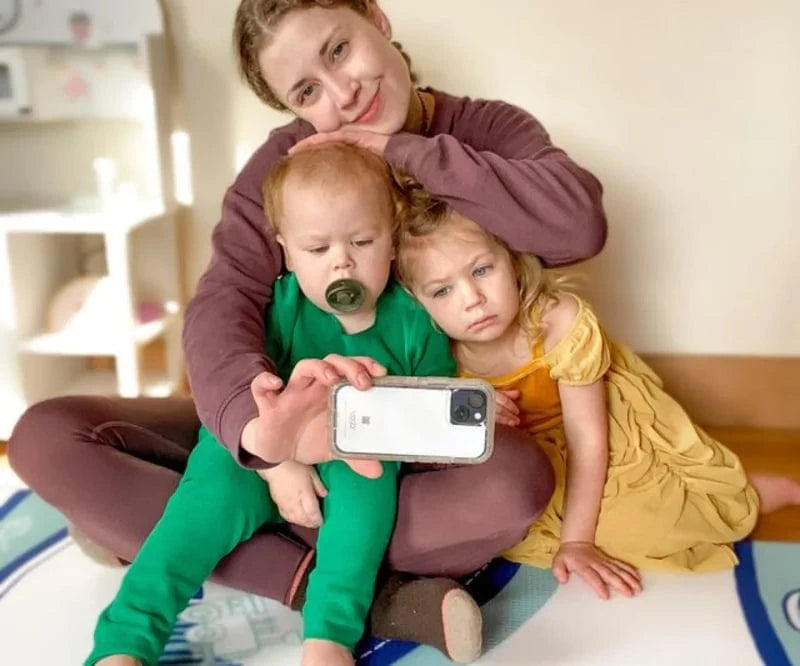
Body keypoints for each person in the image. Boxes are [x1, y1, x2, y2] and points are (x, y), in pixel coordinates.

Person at [11, 0, 603, 640]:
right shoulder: (288, 168)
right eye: (307, 91)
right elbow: (222, 304)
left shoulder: (485, 129)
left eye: (339, 50)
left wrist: (400, 152)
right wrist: (265, 442)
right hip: (293, 417)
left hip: (412, 443)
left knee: (517, 481)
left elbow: (578, 227)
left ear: (375, 19)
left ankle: (160, 528)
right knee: (46, 437)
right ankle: (359, 595)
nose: (343, 95)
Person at [88, 143, 483, 666]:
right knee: (196, 514)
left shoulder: (413, 318)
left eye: (362, 241)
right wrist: (279, 465)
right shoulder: (279, 307)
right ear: (288, 253)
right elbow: (240, 396)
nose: (342, 260)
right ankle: (126, 639)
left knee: (366, 501)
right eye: (317, 249)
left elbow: (429, 401)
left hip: (354, 448)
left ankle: (329, 637)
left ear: (391, 239)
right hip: (261, 453)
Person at [393, 191, 800, 600]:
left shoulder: (557, 321)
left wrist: (577, 542)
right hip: (534, 456)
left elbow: (588, 438)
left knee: (659, 519)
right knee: (528, 528)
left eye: (482, 269)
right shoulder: (433, 356)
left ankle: (749, 493)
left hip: (600, 432)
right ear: (416, 304)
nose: (472, 299)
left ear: (512, 258)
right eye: (442, 291)